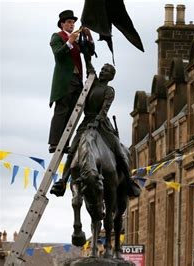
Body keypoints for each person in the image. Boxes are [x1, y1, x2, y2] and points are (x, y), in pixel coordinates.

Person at [50, 64, 140, 198]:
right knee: (72, 151)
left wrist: (97, 121)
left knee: (119, 151)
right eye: (102, 69)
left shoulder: (109, 91)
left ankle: (129, 181)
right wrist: (88, 48)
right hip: (86, 122)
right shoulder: (92, 82)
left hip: (102, 124)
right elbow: (89, 64)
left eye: (107, 71)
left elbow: (105, 109)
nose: (103, 72)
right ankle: (63, 181)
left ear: (111, 77)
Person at [48, 10, 95, 153]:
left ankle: (64, 143)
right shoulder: (57, 37)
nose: (72, 24)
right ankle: (54, 143)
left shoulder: (76, 38)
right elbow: (58, 55)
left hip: (76, 79)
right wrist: (69, 41)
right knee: (61, 110)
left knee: (71, 113)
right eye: (68, 22)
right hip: (64, 80)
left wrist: (89, 37)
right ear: (62, 24)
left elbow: (89, 52)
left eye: (73, 22)